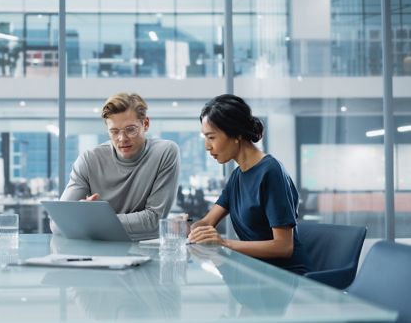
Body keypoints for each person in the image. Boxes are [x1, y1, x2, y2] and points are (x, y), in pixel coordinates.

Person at [188, 94, 311, 275]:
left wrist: (224, 243)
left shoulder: (270, 172)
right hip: (255, 271)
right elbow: (208, 222)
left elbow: (284, 247)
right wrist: (189, 228)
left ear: (236, 134)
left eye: (211, 137)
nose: (207, 146)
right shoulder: (237, 176)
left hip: (286, 277)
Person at [53, 92, 180, 240]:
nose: (122, 138)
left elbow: (154, 221)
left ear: (145, 124)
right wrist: (89, 217)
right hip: (96, 254)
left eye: (130, 129)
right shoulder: (89, 160)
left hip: (143, 251)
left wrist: (89, 220)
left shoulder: (165, 152)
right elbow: (58, 223)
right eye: (114, 132)